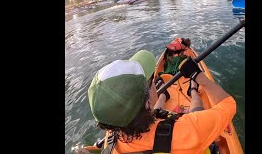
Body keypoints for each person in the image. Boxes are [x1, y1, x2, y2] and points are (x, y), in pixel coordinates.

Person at [88, 50, 236, 153]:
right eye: (150, 79)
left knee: (155, 115)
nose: (152, 79)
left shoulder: (110, 139)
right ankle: (193, 89)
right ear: (146, 103)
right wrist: (198, 76)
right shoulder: (189, 130)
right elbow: (228, 105)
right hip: (190, 137)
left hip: (145, 121)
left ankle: (163, 96)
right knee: (196, 108)